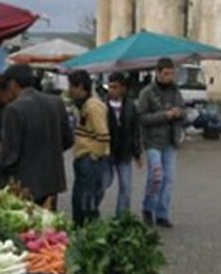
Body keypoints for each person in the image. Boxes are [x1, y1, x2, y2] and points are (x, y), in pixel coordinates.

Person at [0, 64, 73, 207]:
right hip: (51, 183)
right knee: (47, 219)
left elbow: (9, 155)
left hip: (24, 185)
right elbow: (68, 140)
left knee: (25, 220)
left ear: (13, 84)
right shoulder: (56, 102)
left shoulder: (14, 109)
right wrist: (44, 154)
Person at [137, 58, 186, 228]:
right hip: (153, 141)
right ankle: (148, 208)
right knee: (157, 176)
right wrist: (165, 115)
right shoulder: (147, 92)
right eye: (166, 73)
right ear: (158, 73)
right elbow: (142, 118)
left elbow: (184, 112)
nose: (169, 77)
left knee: (169, 179)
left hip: (171, 140)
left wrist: (179, 113)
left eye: (172, 73)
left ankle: (162, 214)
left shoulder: (175, 91)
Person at [68, 70, 111, 227]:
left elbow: (103, 136)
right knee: (79, 200)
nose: (69, 91)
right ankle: (79, 227)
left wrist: (94, 156)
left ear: (80, 87)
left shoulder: (94, 107)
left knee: (87, 201)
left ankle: (87, 229)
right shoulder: (83, 105)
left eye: (71, 87)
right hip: (82, 157)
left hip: (90, 160)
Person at [106, 72, 143, 218]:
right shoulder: (102, 106)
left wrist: (137, 153)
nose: (111, 90)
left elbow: (135, 131)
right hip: (107, 153)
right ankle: (92, 214)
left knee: (126, 188)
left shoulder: (130, 106)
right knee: (102, 185)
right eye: (110, 87)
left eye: (115, 87)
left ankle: (121, 218)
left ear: (123, 88)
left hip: (125, 153)